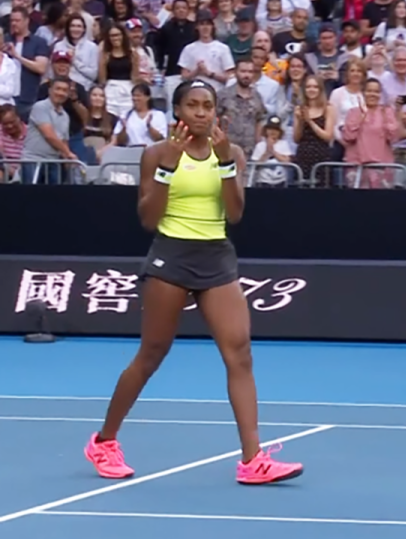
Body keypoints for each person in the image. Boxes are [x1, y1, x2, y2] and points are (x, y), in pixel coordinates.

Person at [83, 80, 304, 486]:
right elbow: (148, 219)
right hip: (171, 255)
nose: (201, 113)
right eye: (193, 106)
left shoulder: (232, 152)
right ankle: (104, 441)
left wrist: (223, 164)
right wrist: (169, 166)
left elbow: (235, 213)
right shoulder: (156, 154)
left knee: (240, 353)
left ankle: (252, 460)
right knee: (151, 355)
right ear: (179, 112)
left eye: (208, 106)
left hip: (216, 256)